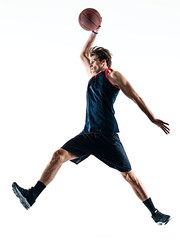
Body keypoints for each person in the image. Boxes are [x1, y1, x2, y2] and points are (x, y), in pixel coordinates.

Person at [12, 26, 171, 225]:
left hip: (107, 136)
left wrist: (152, 118)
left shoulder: (113, 76)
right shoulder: (93, 77)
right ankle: (31, 196)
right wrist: (94, 32)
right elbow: (83, 53)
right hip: (88, 134)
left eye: (94, 62)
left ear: (104, 62)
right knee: (58, 155)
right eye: (91, 62)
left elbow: (135, 96)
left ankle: (155, 213)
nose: (91, 64)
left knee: (129, 176)